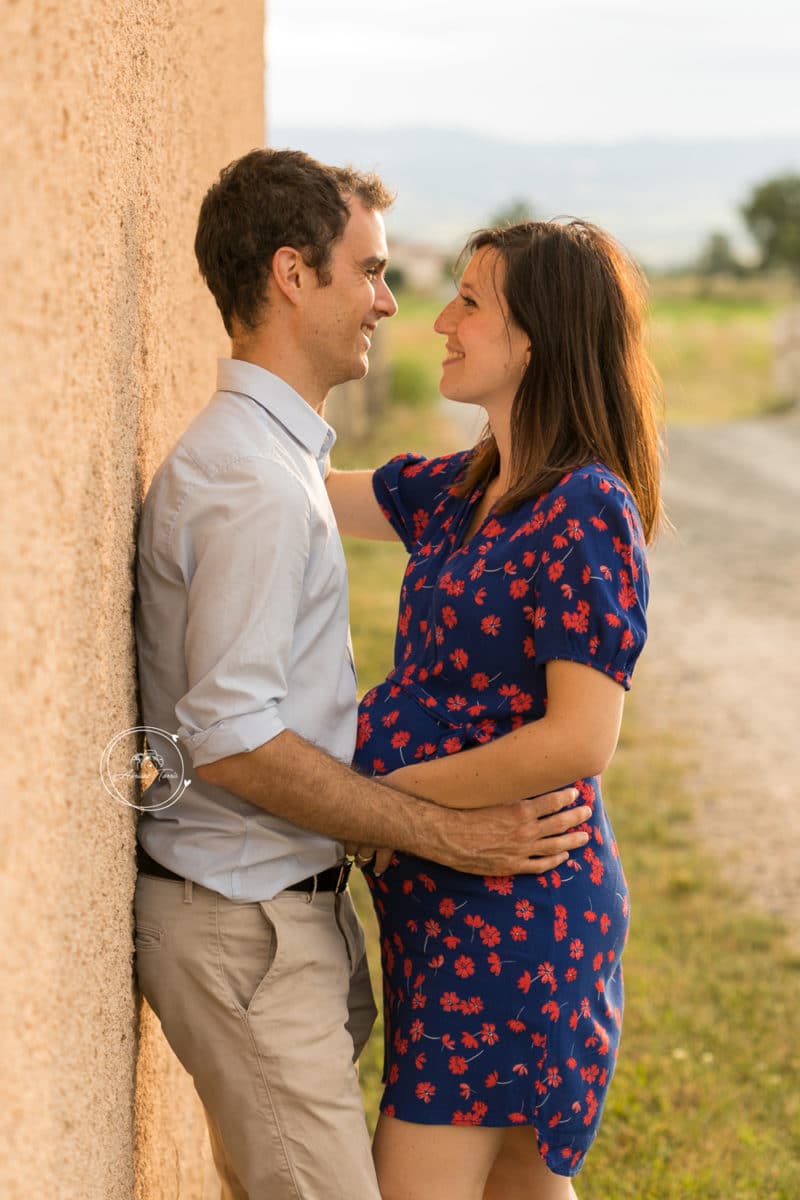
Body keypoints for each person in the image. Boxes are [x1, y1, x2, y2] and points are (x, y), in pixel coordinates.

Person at [132, 149, 590, 1200]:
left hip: (281, 917)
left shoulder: (279, 459)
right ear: (294, 276)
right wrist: (441, 832)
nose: (392, 302)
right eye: (369, 270)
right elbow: (234, 739)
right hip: (243, 925)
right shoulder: (252, 479)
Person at [326, 218, 662, 1199]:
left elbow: (577, 738)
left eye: (470, 301)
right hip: (449, 907)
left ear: (534, 340)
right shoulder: (459, 491)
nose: (439, 320)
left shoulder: (582, 508)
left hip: (516, 914)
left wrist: (388, 802)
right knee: (518, 1181)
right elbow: (291, 494)